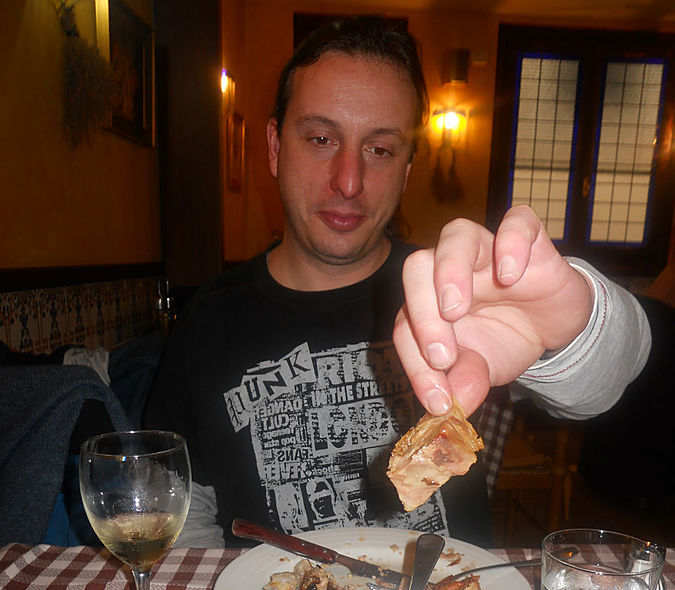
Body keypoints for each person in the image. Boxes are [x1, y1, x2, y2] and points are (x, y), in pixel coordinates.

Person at [145, 15, 650, 548]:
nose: (348, 181)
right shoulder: (208, 317)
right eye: (321, 138)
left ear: (407, 167)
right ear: (274, 146)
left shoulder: (459, 295)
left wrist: (573, 326)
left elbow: (608, 384)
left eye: (380, 149)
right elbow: (180, 501)